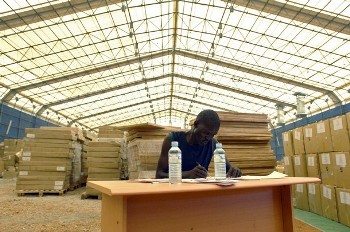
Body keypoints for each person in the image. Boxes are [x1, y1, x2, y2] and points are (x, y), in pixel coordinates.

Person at [156, 109, 242, 179]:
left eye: (213, 135)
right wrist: (187, 175)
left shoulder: (213, 144)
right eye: (206, 133)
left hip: (199, 193)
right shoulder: (173, 140)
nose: (208, 138)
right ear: (196, 124)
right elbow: (159, 175)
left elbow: (228, 170)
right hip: (174, 192)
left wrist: (234, 171)